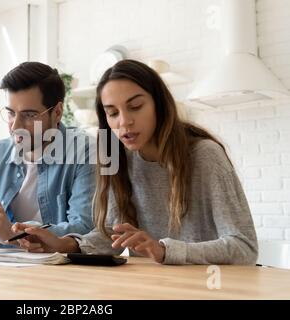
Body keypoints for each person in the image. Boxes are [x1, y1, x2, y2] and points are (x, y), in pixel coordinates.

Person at [13, 59, 258, 265]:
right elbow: (110, 236)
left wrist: (164, 250)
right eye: (113, 113)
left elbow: (244, 247)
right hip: (151, 288)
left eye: (136, 106)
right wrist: (63, 243)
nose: (124, 122)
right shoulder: (115, 157)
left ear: (159, 105)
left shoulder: (205, 155)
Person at [0, 62, 95, 247]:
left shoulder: (85, 152)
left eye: (29, 115)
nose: (15, 126)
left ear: (57, 112)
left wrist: (13, 231)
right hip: (0, 270)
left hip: (58, 271)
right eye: (11, 113)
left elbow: (84, 228)